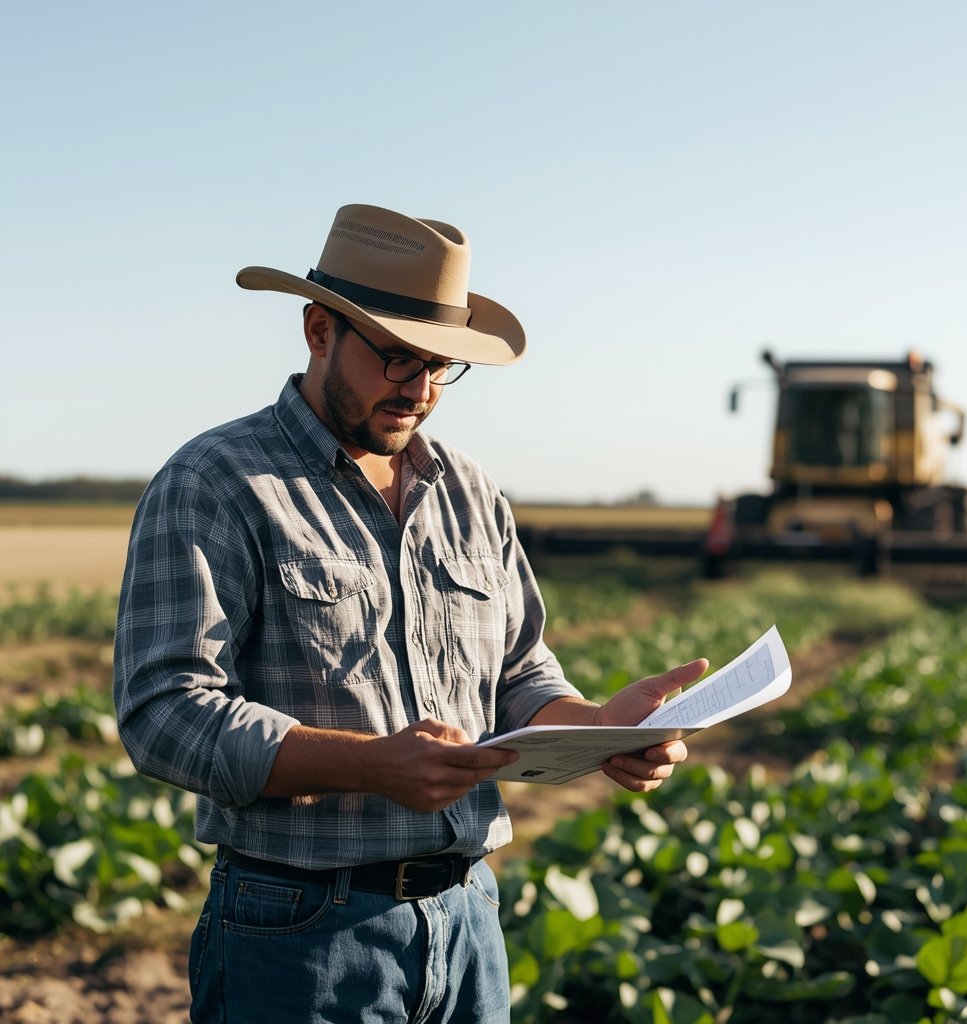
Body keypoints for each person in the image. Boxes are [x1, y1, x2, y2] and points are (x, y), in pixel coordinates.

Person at [113, 203, 708, 1024]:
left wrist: (599, 728)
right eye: (397, 359)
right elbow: (163, 714)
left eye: (440, 366)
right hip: (299, 935)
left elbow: (519, 672)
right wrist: (368, 763)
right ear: (319, 330)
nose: (421, 390)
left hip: (467, 922)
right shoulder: (217, 482)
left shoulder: (468, 490)